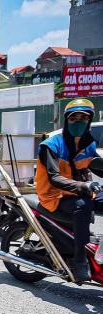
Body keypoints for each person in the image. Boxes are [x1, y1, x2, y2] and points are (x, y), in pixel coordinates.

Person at [36, 98, 102, 282]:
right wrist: (84, 186)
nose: (78, 121)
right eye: (74, 118)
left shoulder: (89, 144)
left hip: (77, 192)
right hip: (54, 196)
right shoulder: (51, 145)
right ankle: (79, 260)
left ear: (89, 120)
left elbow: (95, 165)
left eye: (83, 117)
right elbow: (54, 177)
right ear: (67, 120)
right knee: (84, 206)